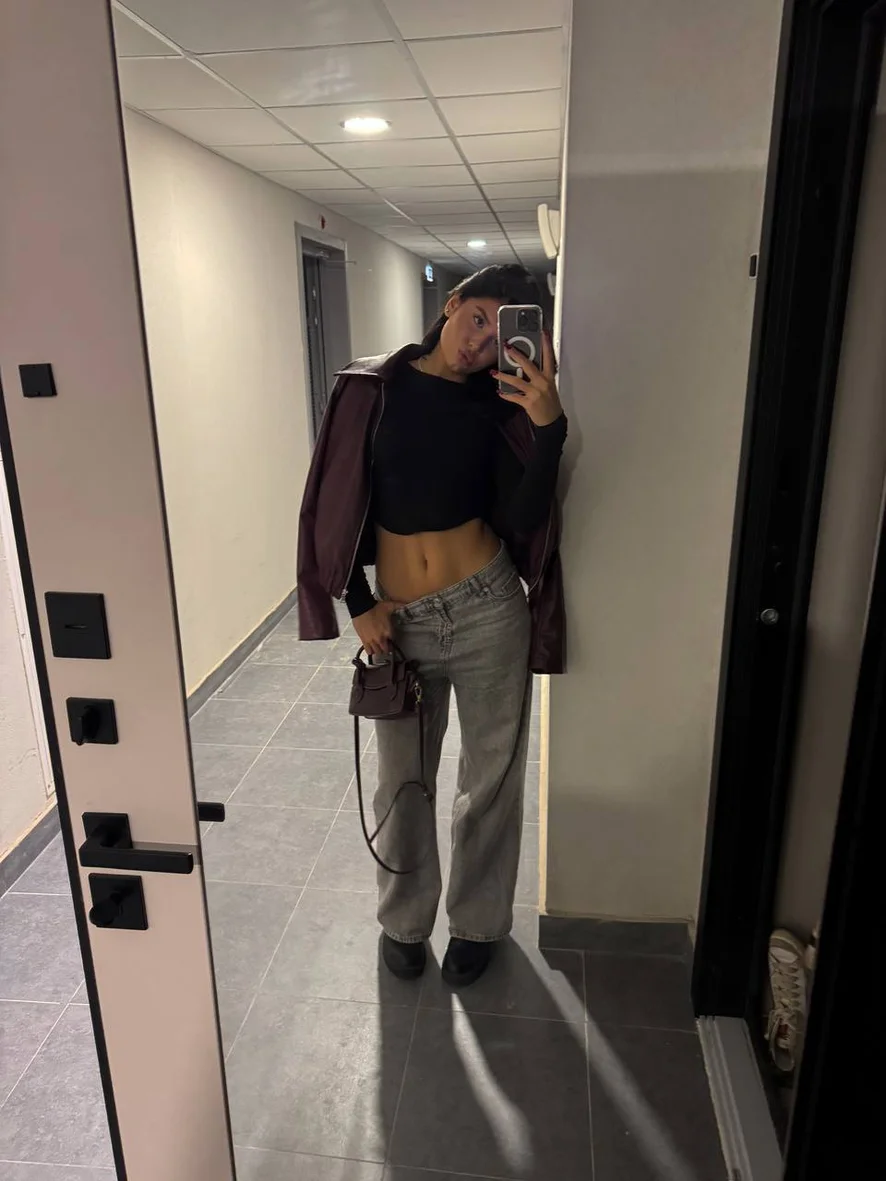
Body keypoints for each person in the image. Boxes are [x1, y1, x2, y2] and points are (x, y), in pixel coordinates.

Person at [297, 264, 567, 988]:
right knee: (402, 784)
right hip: (400, 621)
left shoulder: (499, 404)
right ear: (451, 305)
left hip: (488, 610)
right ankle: (404, 921)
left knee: (491, 781)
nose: (480, 343)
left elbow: (524, 517)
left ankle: (477, 922)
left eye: (500, 335)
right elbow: (333, 498)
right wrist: (357, 600)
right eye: (476, 319)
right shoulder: (371, 388)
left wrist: (549, 428)